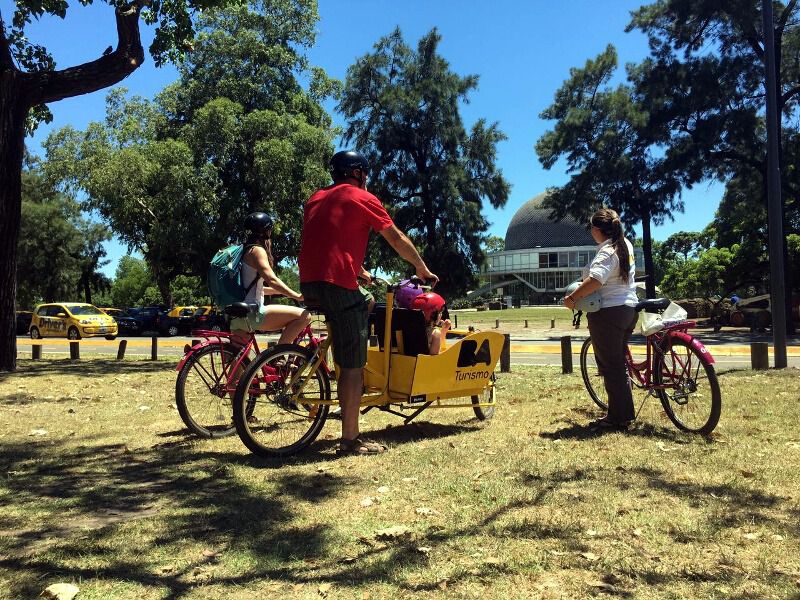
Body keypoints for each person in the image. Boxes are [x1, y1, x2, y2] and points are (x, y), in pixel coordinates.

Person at [299, 150, 438, 456]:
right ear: (359, 172)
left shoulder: (316, 198)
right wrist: (421, 267)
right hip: (337, 286)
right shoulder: (363, 198)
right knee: (354, 362)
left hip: (309, 283)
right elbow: (397, 238)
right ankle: (350, 439)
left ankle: (340, 351)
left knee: (362, 301)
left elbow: (328, 242)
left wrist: (358, 270)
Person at [563, 207, 637, 431]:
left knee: (611, 365)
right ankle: (622, 410)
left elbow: (596, 279)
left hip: (609, 313)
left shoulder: (607, 251)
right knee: (618, 362)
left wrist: (573, 298)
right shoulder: (626, 245)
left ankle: (619, 417)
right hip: (629, 309)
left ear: (597, 229)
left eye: (591, 227)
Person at [230, 212, 311, 345]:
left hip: (236, 314)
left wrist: (281, 292)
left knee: (239, 362)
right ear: (266, 232)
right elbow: (272, 280)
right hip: (253, 313)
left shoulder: (243, 251)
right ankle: (278, 355)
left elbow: (254, 288)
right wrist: (296, 296)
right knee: (305, 316)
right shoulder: (257, 250)